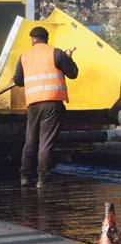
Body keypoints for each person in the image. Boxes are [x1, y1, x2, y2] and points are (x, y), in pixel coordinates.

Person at [13, 26, 78, 189]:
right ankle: (42, 178)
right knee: (46, 142)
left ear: (32, 39)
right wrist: (67, 58)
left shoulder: (24, 57)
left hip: (33, 104)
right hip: (52, 102)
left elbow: (18, 81)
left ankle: (25, 177)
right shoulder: (56, 53)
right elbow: (73, 73)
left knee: (30, 141)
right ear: (47, 38)